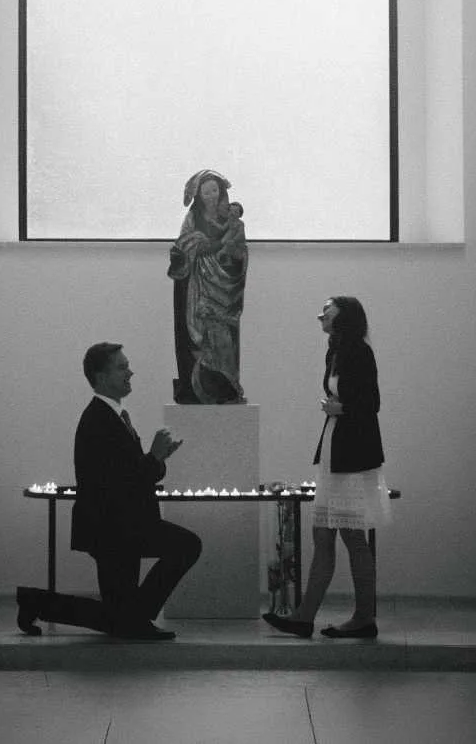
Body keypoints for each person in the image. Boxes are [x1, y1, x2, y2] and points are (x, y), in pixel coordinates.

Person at [15, 340, 202, 641]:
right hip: (114, 529)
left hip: (121, 526)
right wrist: (154, 458)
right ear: (101, 377)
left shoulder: (111, 416)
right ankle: (132, 618)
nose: (131, 372)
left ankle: (37, 601)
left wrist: (158, 459)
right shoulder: (99, 420)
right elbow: (120, 482)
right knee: (186, 546)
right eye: (122, 367)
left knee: (118, 619)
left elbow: (130, 475)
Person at [261, 295, 388, 640]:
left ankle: (363, 618)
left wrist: (340, 409)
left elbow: (371, 403)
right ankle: (304, 617)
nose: (321, 312)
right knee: (322, 536)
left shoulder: (360, 352)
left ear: (344, 316)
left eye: (327, 308)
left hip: (352, 456)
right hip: (335, 451)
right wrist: (336, 409)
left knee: (352, 537)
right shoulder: (335, 352)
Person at [168, 168, 248, 402]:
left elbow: (239, 250)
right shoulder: (193, 219)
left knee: (224, 338)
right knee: (200, 336)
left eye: (215, 190)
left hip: (224, 290)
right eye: (206, 192)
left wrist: (231, 253)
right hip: (198, 289)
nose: (212, 195)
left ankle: (226, 385)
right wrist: (203, 246)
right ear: (199, 196)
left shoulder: (231, 220)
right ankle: (197, 386)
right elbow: (184, 246)